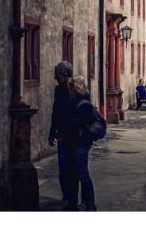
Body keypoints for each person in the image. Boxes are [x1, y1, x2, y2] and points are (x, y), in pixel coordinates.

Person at [65, 75, 97, 211]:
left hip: (80, 143)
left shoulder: (83, 104)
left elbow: (78, 123)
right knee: (78, 172)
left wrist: (68, 127)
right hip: (79, 142)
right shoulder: (79, 101)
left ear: (75, 88)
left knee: (82, 173)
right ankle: (81, 201)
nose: (69, 91)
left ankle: (89, 202)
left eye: (70, 88)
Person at [48, 61, 73, 209]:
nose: (55, 78)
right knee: (63, 168)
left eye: (57, 75)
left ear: (65, 75)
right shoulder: (59, 90)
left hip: (74, 136)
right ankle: (66, 197)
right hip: (63, 135)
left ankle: (73, 198)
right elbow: (55, 113)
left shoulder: (74, 90)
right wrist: (52, 134)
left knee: (73, 168)